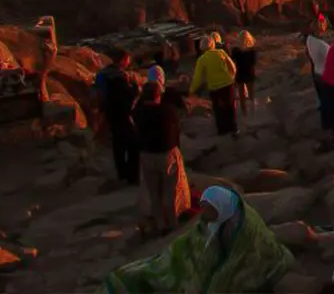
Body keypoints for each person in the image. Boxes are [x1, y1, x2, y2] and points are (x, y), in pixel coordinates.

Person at [98, 185, 294, 293]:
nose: (203, 212)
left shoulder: (245, 230)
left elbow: (241, 260)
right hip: (191, 263)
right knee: (133, 275)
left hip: (233, 269)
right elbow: (190, 243)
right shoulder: (213, 221)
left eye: (208, 207)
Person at [133, 66, 191, 237]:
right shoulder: (168, 110)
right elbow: (177, 125)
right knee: (169, 190)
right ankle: (171, 222)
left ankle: (159, 223)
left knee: (153, 190)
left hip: (146, 154)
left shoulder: (139, 112)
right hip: (167, 153)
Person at [94, 50, 140, 185]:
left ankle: (122, 173)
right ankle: (132, 177)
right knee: (133, 145)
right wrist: (135, 90)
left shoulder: (102, 74)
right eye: (128, 60)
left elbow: (98, 94)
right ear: (123, 60)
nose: (128, 63)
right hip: (123, 113)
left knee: (117, 145)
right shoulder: (120, 75)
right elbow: (127, 96)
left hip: (109, 113)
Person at [190, 35, 239, 136]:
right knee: (230, 106)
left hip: (215, 87)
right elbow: (232, 67)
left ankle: (222, 130)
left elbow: (197, 78)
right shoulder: (221, 53)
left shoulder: (202, 59)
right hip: (227, 84)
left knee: (218, 109)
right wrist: (232, 78)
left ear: (201, 47)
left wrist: (191, 90)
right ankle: (233, 128)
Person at [230, 31, 259, 120]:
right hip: (249, 73)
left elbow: (233, 62)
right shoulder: (252, 51)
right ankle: (253, 111)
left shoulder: (235, 50)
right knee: (251, 94)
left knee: (241, 95)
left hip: (239, 73)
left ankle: (244, 113)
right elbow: (254, 63)